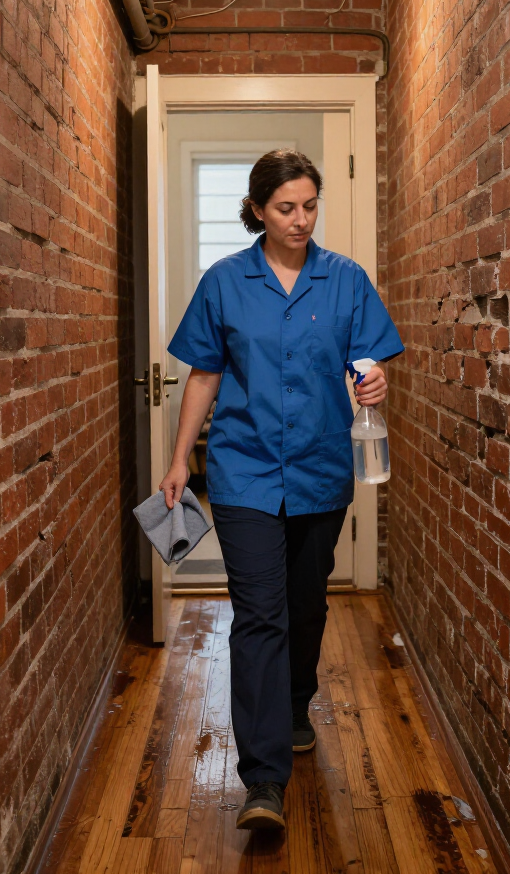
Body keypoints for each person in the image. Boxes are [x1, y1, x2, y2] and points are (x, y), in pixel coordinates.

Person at [159, 149, 404, 831]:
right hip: (244, 472)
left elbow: (367, 360)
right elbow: (204, 375)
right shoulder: (224, 282)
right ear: (258, 210)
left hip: (322, 471)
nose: (300, 220)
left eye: (310, 205)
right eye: (285, 208)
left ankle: (296, 701)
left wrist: (376, 378)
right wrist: (178, 461)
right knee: (259, 616)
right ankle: (263, 780)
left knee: (304, 606)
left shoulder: (345, 279)